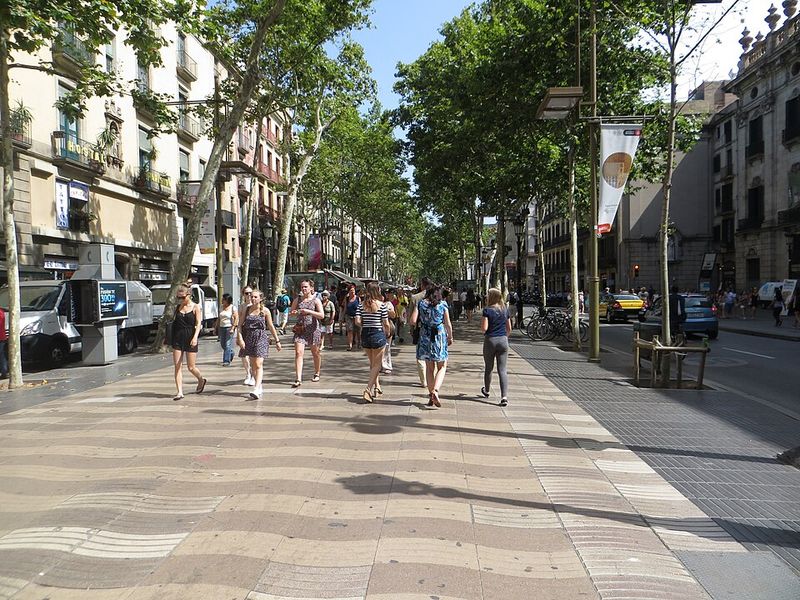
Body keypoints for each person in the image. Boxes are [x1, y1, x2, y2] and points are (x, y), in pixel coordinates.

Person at [411, 285, 453, 408]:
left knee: (429, 367)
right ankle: (435, 391)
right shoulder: (443, 304)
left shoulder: (421, 304)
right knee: (442, 365)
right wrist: (450, 337)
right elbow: (448, 324)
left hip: (425, 336)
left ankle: (431, 395)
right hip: (439, 336)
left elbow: (413, 321)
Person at [238, 289, 282, 399]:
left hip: (261, 338)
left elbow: (271, 326)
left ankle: (256, 388)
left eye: (255, 297)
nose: (252, 298)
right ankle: (259, 384)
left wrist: (277, 341)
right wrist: (240, 339)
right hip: (249, 338)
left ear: (261, 298)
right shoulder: (247, 310)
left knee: (258, 364)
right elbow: (239, 325)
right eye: (251, 296)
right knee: (253, 365)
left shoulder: (265, 311)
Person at [356, 281, 391, 403]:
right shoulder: (381, 305)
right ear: (377, 291)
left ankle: (377, 387)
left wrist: (365, 324)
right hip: (378, 334)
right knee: (377, 365)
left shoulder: (361, 305)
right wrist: (387, 333)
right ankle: (367, 390)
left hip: (365, 334)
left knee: (373, 364)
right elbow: (386, 323)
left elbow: (357, 321)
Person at [171, 284, 206, 401]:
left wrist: (195, 337)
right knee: (177, 366)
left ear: (189, 295)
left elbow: (198, 324)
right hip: (177, 338)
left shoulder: (196, 307)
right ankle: (179, 392)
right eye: (178, 297)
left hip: (190, 337)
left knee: (191, 367)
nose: (180, 300)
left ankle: (201, 379)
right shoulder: (177, 308)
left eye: (182, 297)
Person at [480, 287, 512, 407]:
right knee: (502, 370)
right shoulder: (505, 310)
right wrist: (504, 337)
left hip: (490, 340)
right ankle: (504, 397)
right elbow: (509, 329)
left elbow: (484, 328)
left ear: (491, 297)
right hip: (503, 341)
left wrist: (488, 334)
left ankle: (487, 390)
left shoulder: (487, 310)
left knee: (489, 368)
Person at [290, 279, 324, 387]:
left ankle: (317, 372)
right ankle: (298, 378)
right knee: (298, 353)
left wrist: (309, 312)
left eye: (306, 287)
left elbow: (321, 315)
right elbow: (291, 313)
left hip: (313, 329)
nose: (304, 289)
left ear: (311, 288)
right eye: (302, 287)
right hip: (301, 329)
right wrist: (295, 312)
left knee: (315, 352)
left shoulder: (316, 300)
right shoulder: (297, 300)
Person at [410, 277, 433, 387]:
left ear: (422, 285)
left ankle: (424, 381)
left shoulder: (415, 297)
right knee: (433, 353)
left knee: (420, 355)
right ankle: (432, 377)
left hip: (420, 329)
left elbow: (412, 318)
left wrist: (411, 330)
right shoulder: (437, 297)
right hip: (435, 329)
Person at [237, 286, 254, 384]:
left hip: (254, 332)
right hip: (244, 331)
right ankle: (248, 373)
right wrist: (238, 336)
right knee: (244, 354)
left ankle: (253, 374)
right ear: (243, 295)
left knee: (253, 354)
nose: (249, 295)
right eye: (246, 293)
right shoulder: (242, 306)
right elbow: (239, 321)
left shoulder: (256, 304)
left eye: (250, 293)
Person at [216, 293, 237, 366]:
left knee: (227, 344)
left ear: (227, 300)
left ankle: (226, 361)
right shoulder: (221, 307)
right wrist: (216, 327)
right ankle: (231, 352)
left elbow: (236, 318)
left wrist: (233, 327)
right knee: (223, 344)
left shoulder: (232, 308)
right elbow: (219, 318)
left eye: (223, 299)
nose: (222, 300)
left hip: (229, 327)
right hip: (222, 327)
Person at [343, 286, 360, 351]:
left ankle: (359, 343)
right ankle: (350, 345)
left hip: (357, 316)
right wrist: (343, 317)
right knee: (350, 330)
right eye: (351, 290)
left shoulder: (358, 298)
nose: (352, 292)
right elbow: (345, 308)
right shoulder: (347, 298)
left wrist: (361, 317)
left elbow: (360, 308)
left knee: (357, 331)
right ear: (349, 291)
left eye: (353, 290)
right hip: (348, 316)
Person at [0, 306, 7, 379]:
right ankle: (4, 371)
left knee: (1, 356)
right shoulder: (1, 311)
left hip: (1, 337)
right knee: (2, 355)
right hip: (2, 336)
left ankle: (4, 371)